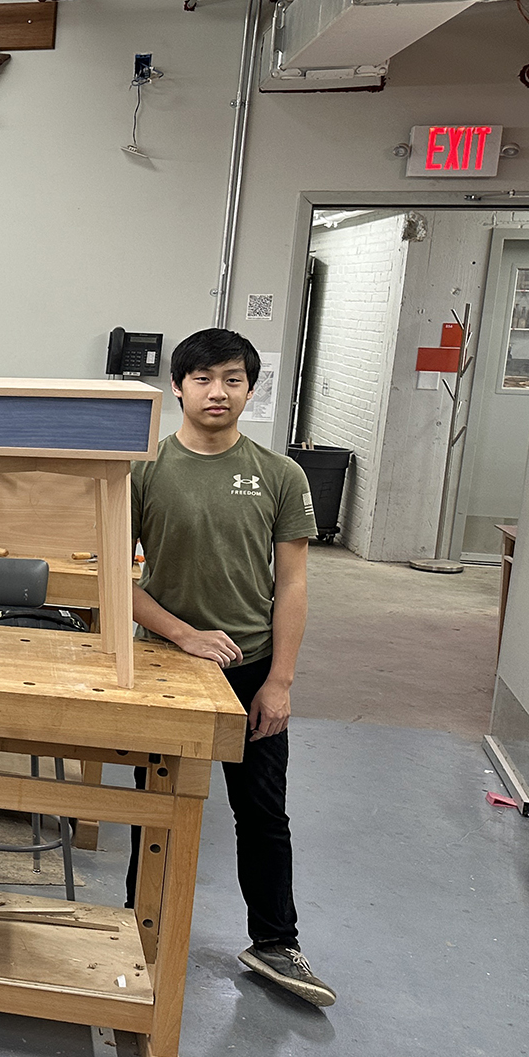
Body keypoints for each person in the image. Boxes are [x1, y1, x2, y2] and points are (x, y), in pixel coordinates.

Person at [126, 328, 333, 1007]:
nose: (218, 392)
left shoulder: (280, 475)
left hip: (252, 668)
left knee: (263, 812)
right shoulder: (143, 471)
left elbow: (293, 584)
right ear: (178, 387)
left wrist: (281, 682)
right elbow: (112, 577)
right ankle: (138, 929)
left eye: (233, 380)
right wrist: (183, 633)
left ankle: (274, 941)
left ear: (249, 389)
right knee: (155, 807)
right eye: (204, 378)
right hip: (165, 664)